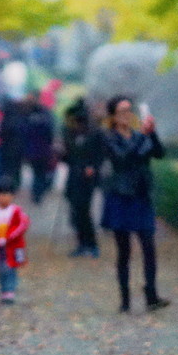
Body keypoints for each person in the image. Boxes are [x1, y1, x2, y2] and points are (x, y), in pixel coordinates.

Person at [100, 97, 168, 312]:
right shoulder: (110, 139)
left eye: (129, 110)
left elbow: (158, 152)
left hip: (141, 197)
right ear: (113, 115)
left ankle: (151, 294)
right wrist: (143, 138)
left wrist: (152, 133)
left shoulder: (140, 136)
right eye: (121, 111)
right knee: (124, 251)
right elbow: (123, 158)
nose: (126, 115)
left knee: (149, 247)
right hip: (121, 197)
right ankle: (125, 298)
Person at [62, 99, 105, 258]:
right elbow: (68, 157)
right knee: (76, 211)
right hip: (74, 176)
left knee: (84, 210)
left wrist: (93, 167)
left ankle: (91, 244)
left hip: (87, 180)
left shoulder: (95, 133)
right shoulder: (70, 134)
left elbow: (101, 155)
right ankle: (81, 243)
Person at [0, 178, 30, 305]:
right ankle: (3, 290)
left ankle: (10, 290)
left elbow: (22, 225)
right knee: (1, 268)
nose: (3, 197)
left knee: (11, 268)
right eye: (0, 195)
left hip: (13, 247)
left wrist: (9, 237)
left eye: (6, 194)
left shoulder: (16, 212)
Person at [21, 94, 56, 204]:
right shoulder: (46, 116)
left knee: (36, 173)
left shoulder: (28, 116)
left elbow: (24, 133)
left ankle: (36, 193)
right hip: (43, 150)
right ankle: (38, 193)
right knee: (41, 174)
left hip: (33, 150)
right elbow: (50, 132)